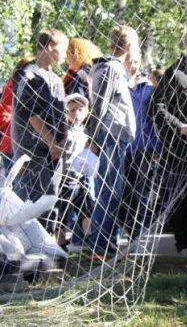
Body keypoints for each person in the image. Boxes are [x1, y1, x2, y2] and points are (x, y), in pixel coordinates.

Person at [148, 27, 187, 255]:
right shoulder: (174, 73)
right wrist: (179, 126)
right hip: (182, 147)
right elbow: (156, 106)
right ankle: (184, 244)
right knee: (182, 196)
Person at [87, 25, 138, 260]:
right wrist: (94, 136)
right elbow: (100, 104)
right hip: (110, 136)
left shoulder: (117, 69)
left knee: (114, 192)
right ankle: (99, 245)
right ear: (128, 46)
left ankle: (109, 244)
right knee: (109, 191)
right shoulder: (110, 68)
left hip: (117, 137)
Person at [12, 29, 68, 232]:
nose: (65, 54)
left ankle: (45, 245)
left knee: (51, 198)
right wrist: (50, 141)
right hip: (32, 151)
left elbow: (62, 115)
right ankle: (21, 247)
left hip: (54, 154)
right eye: (63, 49)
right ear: (50, 46)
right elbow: (30, 114)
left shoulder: (56, 80)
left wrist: (62, 142)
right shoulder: (27, 75)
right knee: (29, 200)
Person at [121, 53, 161, 240]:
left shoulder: (148, 88)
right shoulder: (118, 83)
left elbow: (154, 119)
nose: (134, 65)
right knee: (122, 188)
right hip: (122, 144)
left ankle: (136, 231)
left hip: (144, 146)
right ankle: (123, 226)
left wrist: (156, 146)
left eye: (137, 61)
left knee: (139, 189)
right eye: (130, 61)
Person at [57, 93, 97, 252]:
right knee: (59, 215)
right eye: (72, 110)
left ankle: (90, 242)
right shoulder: (63, 130)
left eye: (80, 110)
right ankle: (60, 246)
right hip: (64, 178)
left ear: (87, 111)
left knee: (86, 209)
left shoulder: (86, 131)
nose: (76, 114)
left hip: (81, 178)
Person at [0, 56, 35, 170]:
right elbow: (3, 115)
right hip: (12, 143)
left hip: (29, 143)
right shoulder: (12, 87)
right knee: (16, 185)